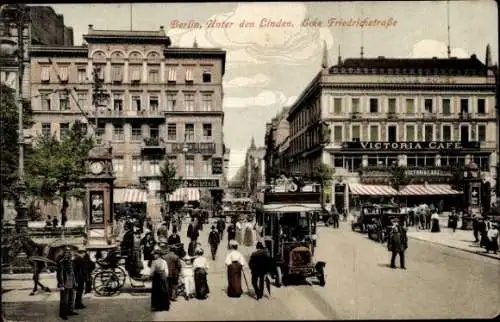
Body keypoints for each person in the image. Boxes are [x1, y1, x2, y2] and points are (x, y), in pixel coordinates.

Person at [57, 247, 77, 320]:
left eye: (69, 252)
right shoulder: (61, 262)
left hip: (71, 280)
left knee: (71, 297)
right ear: (64, 254)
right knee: (64, 299)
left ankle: (70, 311)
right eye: (66, 252)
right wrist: (61, 284)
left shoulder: (71, 261)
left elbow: (73, 273)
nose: (67, 254)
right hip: (64, 281)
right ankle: (63, 314)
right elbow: (60, 274)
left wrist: (74, 282)